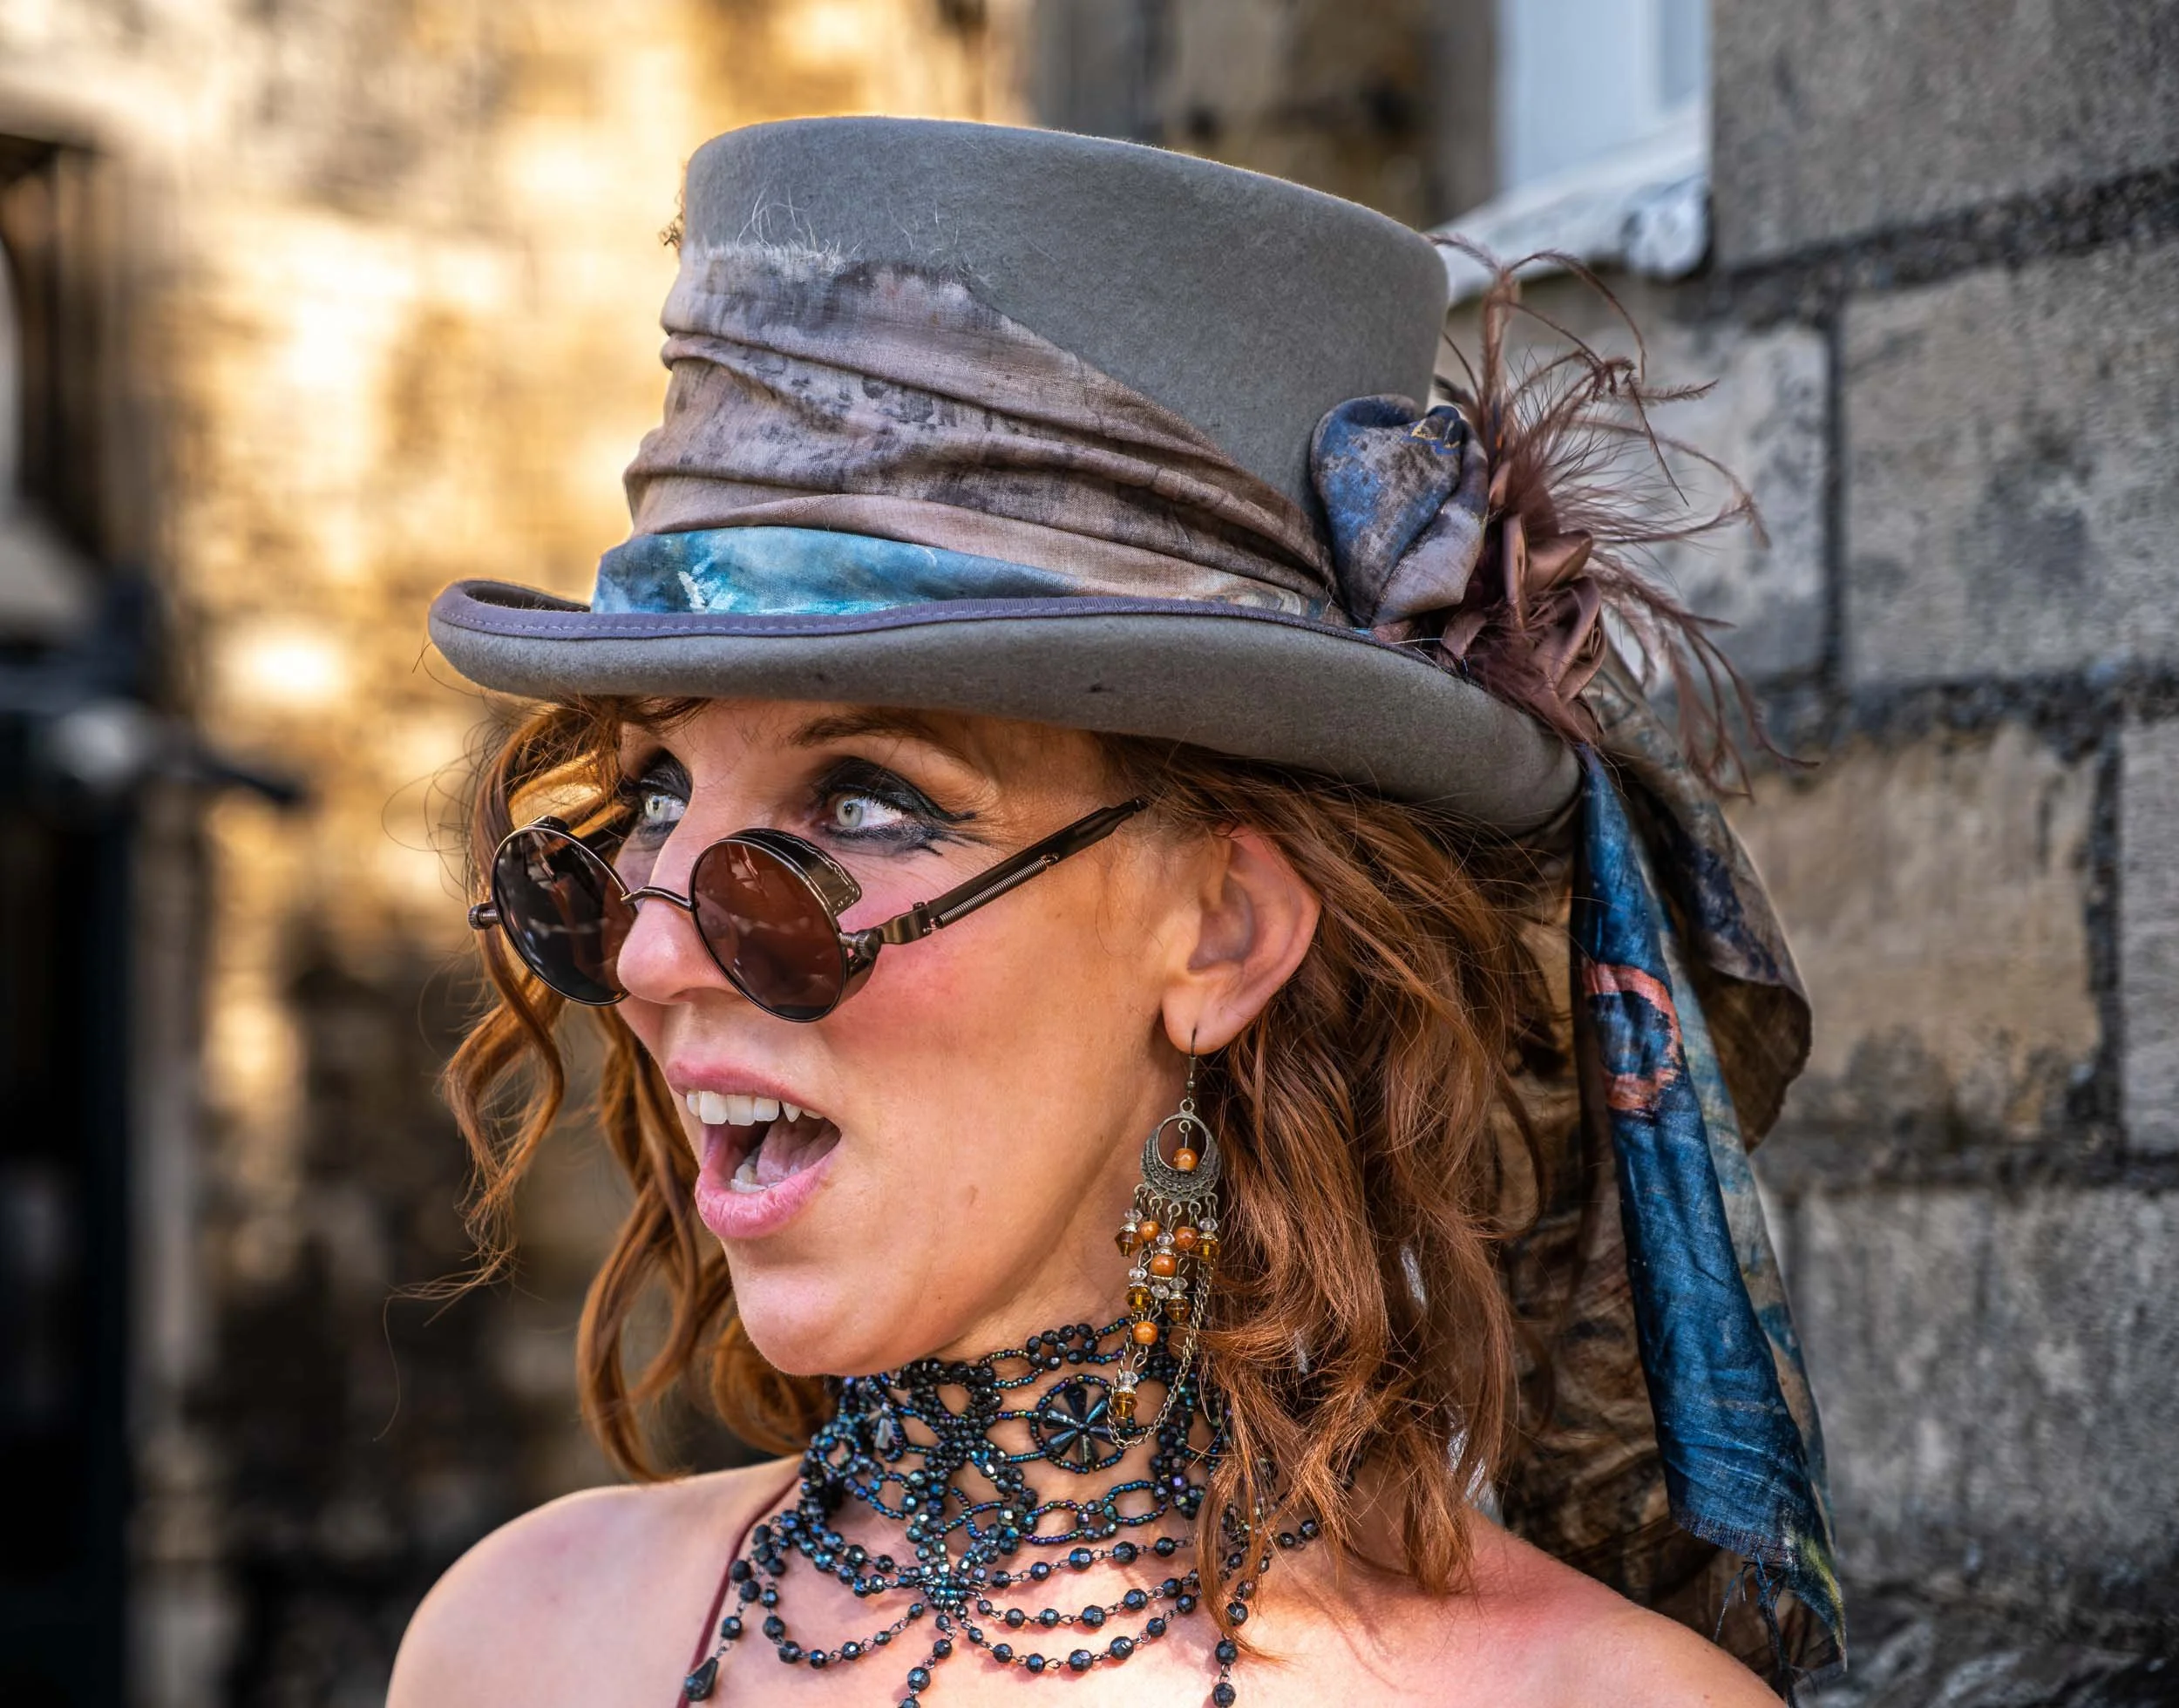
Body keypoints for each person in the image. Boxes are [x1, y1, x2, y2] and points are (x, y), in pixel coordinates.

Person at [389, 118, 1844, 1708]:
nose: (655, 952)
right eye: (657, 801)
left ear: (1223, 932)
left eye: (863, 802)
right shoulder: (516, 1645)